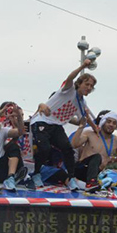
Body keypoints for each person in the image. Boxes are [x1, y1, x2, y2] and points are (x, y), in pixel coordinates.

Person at [30, 59, 97, 189]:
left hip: (56, 126)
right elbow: (70, 77)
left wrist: (92, 126)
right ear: (79, 83)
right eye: (86, 84)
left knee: (67, 149)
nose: (88, 88)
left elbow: (80, 121)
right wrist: (83, 66)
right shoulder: (69, 90)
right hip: (42, 120)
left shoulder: (82, 103)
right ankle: (36, 173)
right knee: (45, 148)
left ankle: (71, 178)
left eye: (91, 87)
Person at [70, 111, 117, 189]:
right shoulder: (90, 133)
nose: (111, 125)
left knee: (113, 176)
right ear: (103, 122)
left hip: (97, 173)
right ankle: (91, 183)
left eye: (114, 123)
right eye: (109, 122)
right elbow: (74, 144)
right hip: (82, 169)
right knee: (97, 157)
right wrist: (81, 127)